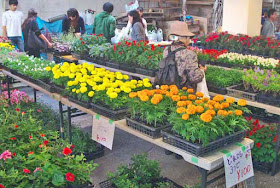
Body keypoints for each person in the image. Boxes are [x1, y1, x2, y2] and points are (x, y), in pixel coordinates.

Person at [163, 21, 208, 96]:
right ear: (185, 38)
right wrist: (201, 70)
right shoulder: (189, 54)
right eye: (188, 38)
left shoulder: (166, 50)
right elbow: (195, 77)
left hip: (168, 89)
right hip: (184, 94)